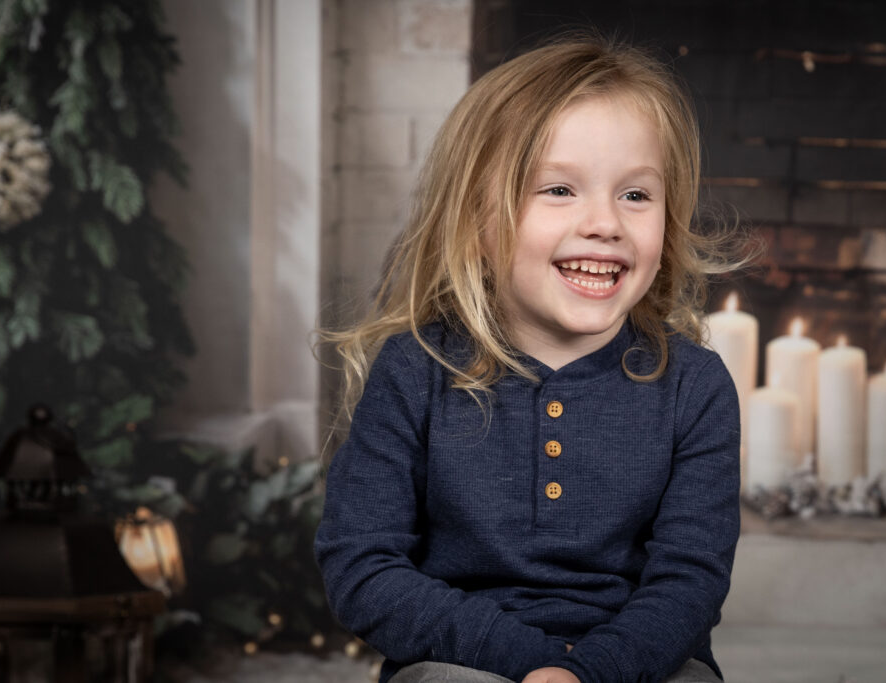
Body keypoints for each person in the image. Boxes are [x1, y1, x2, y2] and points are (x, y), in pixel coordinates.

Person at [315, 34, 747, 683]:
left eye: (636, 195)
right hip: (460, 655)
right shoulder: (415, 368)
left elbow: (690, 580)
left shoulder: (695, 384)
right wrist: (532, 664)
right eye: (558, 189)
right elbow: (363, 567)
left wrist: (591, 671)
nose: (605, 222)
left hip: (642, 662)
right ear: (478, 220)